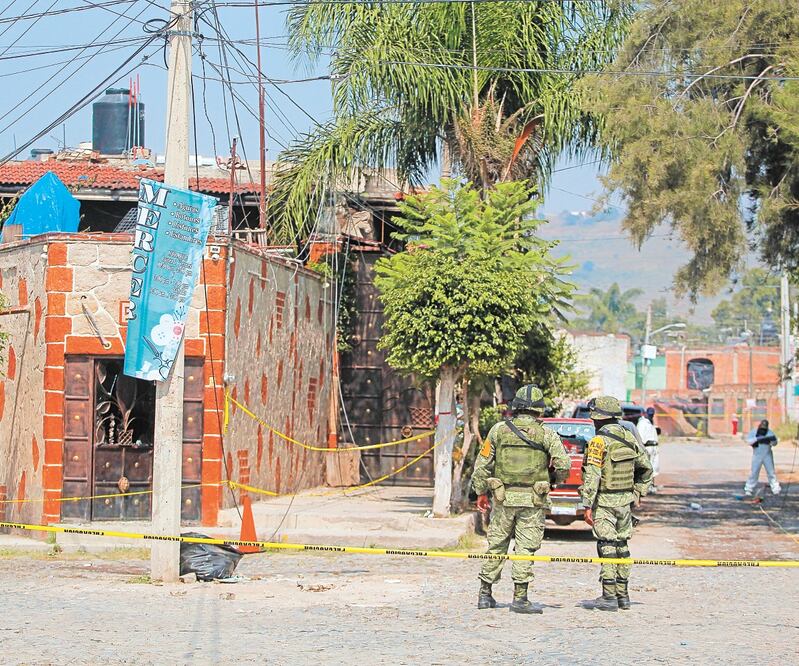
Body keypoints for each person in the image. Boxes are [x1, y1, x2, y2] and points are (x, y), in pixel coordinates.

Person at [471, 385, 570, 614]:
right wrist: (554, 481)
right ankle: (520, 598)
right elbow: (564, 463)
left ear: (515, 408)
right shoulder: (546, 433)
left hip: (502, 498)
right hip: (532, 500)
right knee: (525, 548)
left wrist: (480, 492)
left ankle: (485, 595)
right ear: (539, 411)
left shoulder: (497, 430)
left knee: (496, 546)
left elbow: (483, 464)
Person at [580, 396, 653, 611]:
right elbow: (646, 468)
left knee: (607, 546)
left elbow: (592, 476)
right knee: (622, 546)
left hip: (604, 502)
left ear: (598, 418)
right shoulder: (629, 437)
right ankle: (624, 596)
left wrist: (586, 505)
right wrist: (638, 493)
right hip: (625, 504)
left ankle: (609, 596)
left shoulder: (598, 442)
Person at [744, 419, 781, 496]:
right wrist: (758, 439)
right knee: (754, 472)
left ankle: (775, 489)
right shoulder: (754, 432)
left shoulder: (770, 433)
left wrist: (770, 440)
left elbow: (774, 443)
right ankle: (749, 488)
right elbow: (748, 441)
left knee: (771, 472)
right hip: (757, 455)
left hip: (767, 454)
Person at [636, 408, 660, 494]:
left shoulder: (649, 423)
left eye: (652, 414)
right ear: (645, 414)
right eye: (650, 414)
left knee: (653, 467)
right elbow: (640, 438)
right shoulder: (642, 423)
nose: (651, 416)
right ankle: (645, 487)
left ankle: (651, 485)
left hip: (653, 448)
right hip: (647, 447)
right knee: (646, 468)